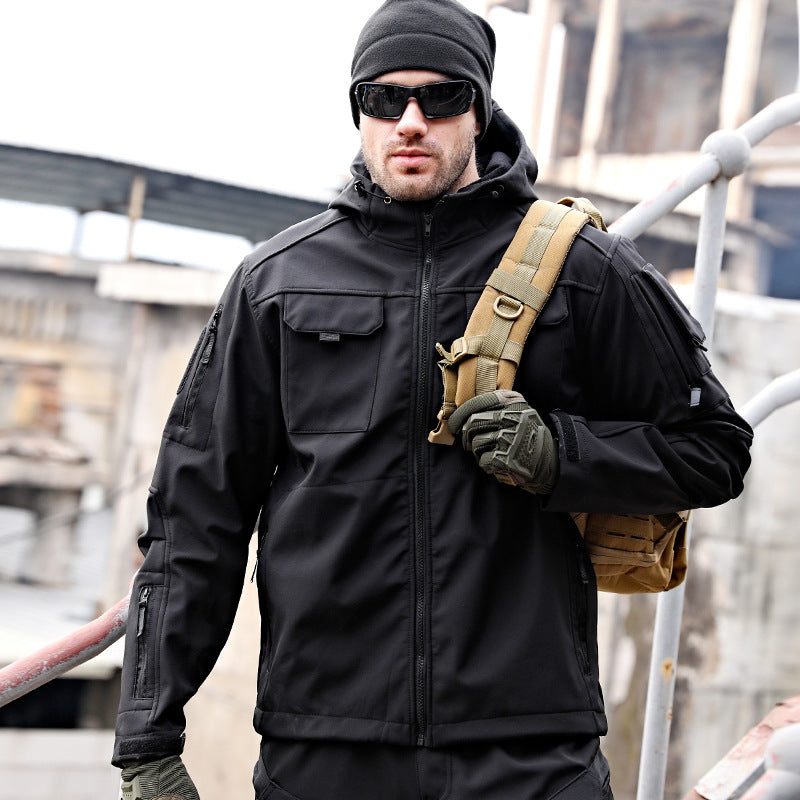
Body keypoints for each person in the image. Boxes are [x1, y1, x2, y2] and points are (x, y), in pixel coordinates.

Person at [113, 1, 753, 798]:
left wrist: (561, 454)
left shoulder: (586, 271)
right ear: (358, 112)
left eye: (441, 96)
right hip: (325, 747)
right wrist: (148, 737)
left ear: (478, 111)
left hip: (529, 749)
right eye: (384, 98)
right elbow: (195, 518)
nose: (410, 121)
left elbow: (714, 449)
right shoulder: (276, 284)